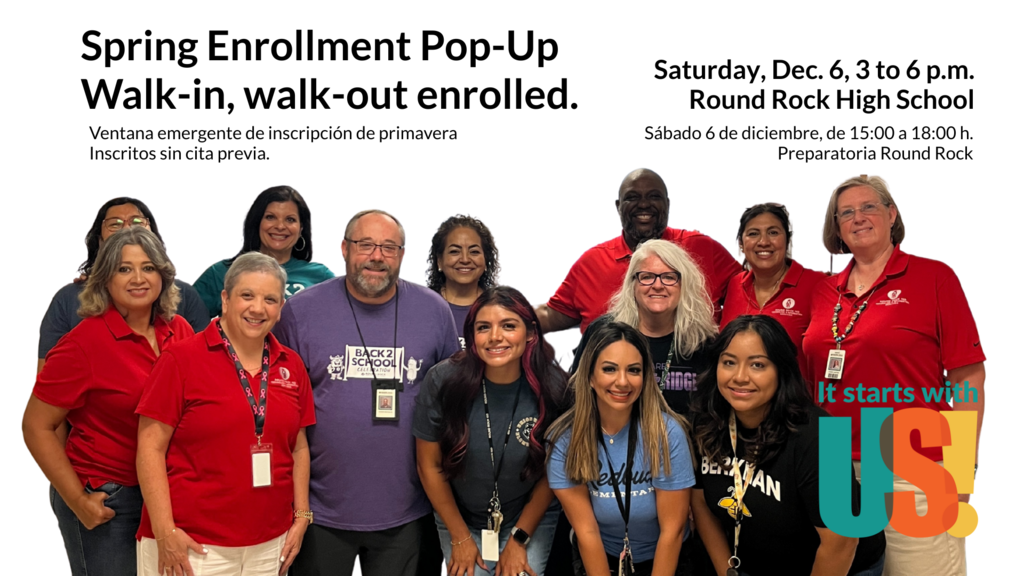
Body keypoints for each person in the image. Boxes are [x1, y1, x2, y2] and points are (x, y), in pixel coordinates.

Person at [803, 175, 985, 576]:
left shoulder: (934, 278)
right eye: (846, 212)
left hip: (914, 463)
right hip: (834, 462)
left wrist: (962, 469)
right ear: (836, 227)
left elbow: (968, 379)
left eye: (868, 207)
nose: (858, 217)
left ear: (891, 213)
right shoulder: (823, 292)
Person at [273, 209, 461, 576]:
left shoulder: (433, 311)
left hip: (407, 509)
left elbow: (453, 401)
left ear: (402, 255)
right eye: (365, 245)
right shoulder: (300, 311)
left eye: (389, 247)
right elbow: (281, 407)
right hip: (320, 510)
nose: (377, 256)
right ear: (344, 249)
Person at [23, 226, 194, 576]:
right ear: (104, 278)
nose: (138, 278)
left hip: (167, 494)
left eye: (148, 267)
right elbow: (36, 425)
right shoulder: (82, 344)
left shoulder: (179, 330)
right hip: (110, 496)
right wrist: (77, 501)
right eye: (124, 268)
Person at [135, 252, 314, 576]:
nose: (258, 308)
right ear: (225, 299)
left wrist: (301, 516)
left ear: (280, 308)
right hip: (192, 546)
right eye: (247, 295)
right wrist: (165, 532)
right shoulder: (181, 359)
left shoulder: (291, 365)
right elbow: (150, 447)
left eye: (270, 299)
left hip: (269, 545)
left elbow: (298, 445)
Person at [689, 315, 886, 576]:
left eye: (757, 365)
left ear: (781, 371)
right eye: (728, 363)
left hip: (840, 565)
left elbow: (841, 543)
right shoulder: (706, 422)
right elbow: (701, 504)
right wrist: (727, 571)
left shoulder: (823, 434)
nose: (739, 377)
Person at [414, 286, 567, 576]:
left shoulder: (555, 386)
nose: (495, 337)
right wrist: (459, 536)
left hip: (528, 515)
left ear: (531, 333)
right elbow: (428, 465)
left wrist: (519, 539)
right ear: (472, 336)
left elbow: (554, 472)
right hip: (459, 516)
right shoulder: (443, 380)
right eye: (484, 327)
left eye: (509, 326)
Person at [547, 321, 695, 576]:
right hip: (601, 557)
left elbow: (673, 531)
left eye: (634, 370)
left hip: (667, 559)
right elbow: (587, 532)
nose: (623, 382)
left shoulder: (667, 433)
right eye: (609, 369)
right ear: (590, 377)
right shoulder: (564, 439)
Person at [536, 168, 741, 334]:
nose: (644, 204)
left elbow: (756, 292)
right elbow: (551, 316)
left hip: (694, 382)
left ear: (667, 204)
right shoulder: (592, 262)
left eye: (654, 196)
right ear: (618, 206)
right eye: (632, 197)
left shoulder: (702, 249)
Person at [38, 197, 208, 372]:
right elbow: (48, 383)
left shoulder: (182, 313)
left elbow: (206, 377)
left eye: (137, 222)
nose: (127, 229)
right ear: (100, 241)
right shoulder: (73, 314)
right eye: (115, 224)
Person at [569, 239, 718, 416]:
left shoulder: (705, 342)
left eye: (669, 277)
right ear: (633, 285)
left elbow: (713, 412)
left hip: (684, 441)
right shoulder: (602, 333)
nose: (657, 285)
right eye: (647, 277)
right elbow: (577, 397)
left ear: (684, 285)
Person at [720, 203, 827, 382]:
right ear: (741, 243)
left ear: (787, 240)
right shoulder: (734, 285)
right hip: (740, 400)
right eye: (753, 233)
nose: (763, 242)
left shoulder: (818, 285)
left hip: (794, 404)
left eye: (773, 232)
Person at [194, 185, 333, 318]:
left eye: (290, 219)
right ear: (257, 222)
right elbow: (185, 321)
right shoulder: (221, 273)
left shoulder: (321, 277)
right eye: (270, 217)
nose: (280, 226)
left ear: (301, 228)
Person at [426, 215, 500, 346]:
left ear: (486, 260)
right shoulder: (423, 308)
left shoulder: (501, 309)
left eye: (474, 252)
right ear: (439, 261)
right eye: (454, 252)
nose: (465, 259)